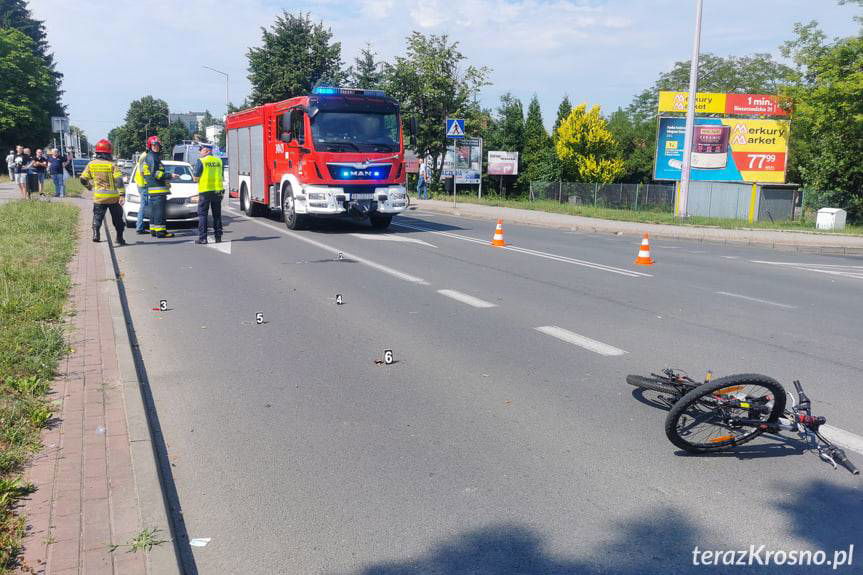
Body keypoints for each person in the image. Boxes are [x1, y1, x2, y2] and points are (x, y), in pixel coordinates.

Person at [79, 139, 125, 245]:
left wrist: (89, 187)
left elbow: (82, 179)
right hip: (113, 198)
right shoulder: (112, 165)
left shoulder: (91, 164)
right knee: (118, 220)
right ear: (108, 152)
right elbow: (119, 181)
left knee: (97, 217)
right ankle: (119, 238)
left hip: (99, 198)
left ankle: (96, 234)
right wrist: (122, 195)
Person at [141, 136, 174, 238]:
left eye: (158, 145)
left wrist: (165, 181)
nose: (157, 147)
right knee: (160, 211)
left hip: (155, 188)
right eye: (154, 145)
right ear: (150, 146)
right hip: (157, 189)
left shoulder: (152, 156)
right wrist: (170, 176)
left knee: (155, 211)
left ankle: (154, 230)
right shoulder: (153, 157)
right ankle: (161, 232)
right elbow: (156, 174)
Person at [192, 143, 224, 244]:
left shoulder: (201, 161)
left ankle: (203, 238)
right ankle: (218, 237)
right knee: (217, 215)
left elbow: (195, 178)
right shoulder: (219, 161)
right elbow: (221, 176)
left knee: (203, 215)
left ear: (205, 150)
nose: (200, 153)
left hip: (205, 191)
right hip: (218, 191)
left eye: (200, 150)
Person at [133, 149, 149, 234]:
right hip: (144, 185)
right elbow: (145, 173)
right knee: (143, 206)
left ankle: (140, 226)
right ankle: (139, 227)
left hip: (141, 184)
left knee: (144, 205)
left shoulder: (143, 156)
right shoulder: (146, 157)